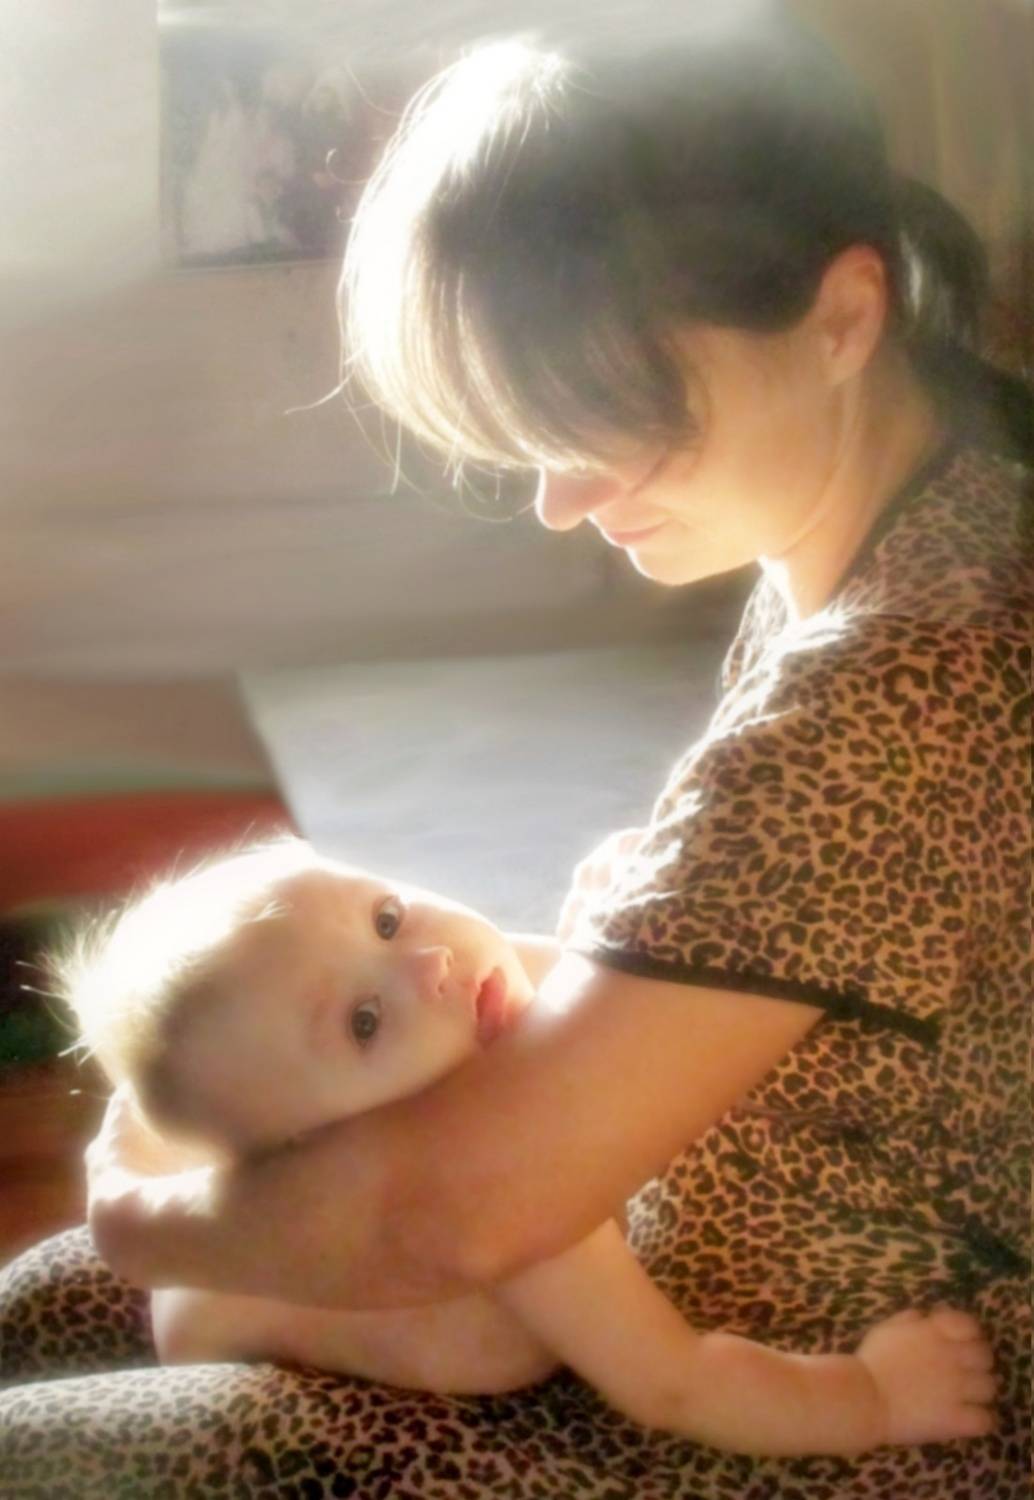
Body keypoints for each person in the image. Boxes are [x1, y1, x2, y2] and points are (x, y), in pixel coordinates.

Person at [1, 10, 1030, 1496]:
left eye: (608, 421)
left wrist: (140, 1217)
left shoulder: (897, 683)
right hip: (686, 1249)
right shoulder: (908, 502)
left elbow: (460, 1219)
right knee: (46, 1310)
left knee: (61, 1416)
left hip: (850, 1378)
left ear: (840, 316)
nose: (560, 499)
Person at [54, 836, 995, 1458]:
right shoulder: (493, 1199)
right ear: (327, 1146)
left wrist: (612, 925)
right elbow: (676, 1384)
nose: (428, 963)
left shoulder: (467, 995)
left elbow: (601, 997)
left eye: (385, 916)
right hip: (239, 1349)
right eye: (364, 1021)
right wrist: (873, 1398)